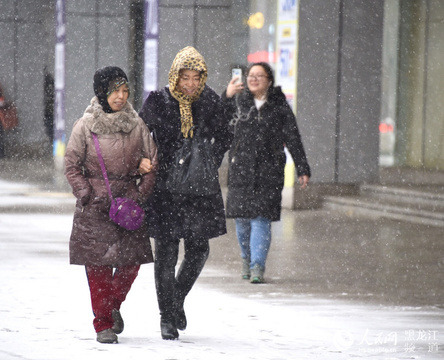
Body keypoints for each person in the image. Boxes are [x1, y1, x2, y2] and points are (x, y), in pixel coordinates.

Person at [139, 46, 232, 340]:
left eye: (196, 77)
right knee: (166, 254)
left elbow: (226, 134)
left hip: (199, 190)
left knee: (199, 250)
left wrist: (206, 160)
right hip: (165, 189)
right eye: (185, 77)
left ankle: (175, 299)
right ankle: (167, 317)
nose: (190, 84)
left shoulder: (209, 100)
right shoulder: (158, 100)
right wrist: (149, 160)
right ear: (174, 76)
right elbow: (141, 135)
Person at [64, 66, 158, 344]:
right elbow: (71, 165)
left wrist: (140, 195)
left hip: (127, 204)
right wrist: (85, 194)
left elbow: (152, 163)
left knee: (132, 263)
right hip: (94, 207)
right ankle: (103, 324)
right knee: (98, 269)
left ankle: (112, 303)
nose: (121, 96)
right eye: (115, 90)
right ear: (102, 92)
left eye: (125, 90)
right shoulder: (85, 125)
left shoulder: (136, 123)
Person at [223, 62, 311, 284]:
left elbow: (293, 138)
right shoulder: (238, 102)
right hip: (241, 170)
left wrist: (302, 168)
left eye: (259, 76)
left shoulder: (279, 107)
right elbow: (217, 122)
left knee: (261, 219)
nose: (253, 79)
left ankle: (257, 266)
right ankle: (246, 259)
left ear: (269, 81)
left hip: (268, 172)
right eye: (250, 75)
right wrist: (226, 96)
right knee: (242, 221)